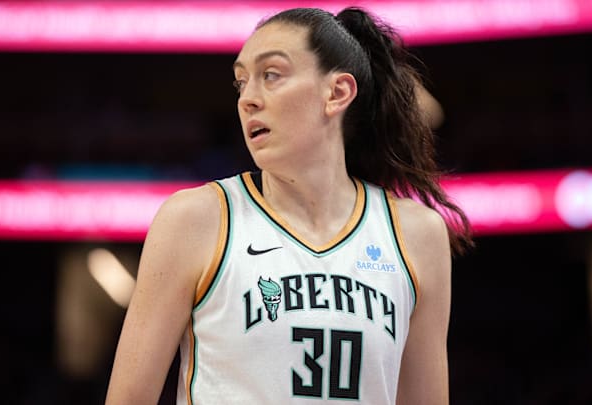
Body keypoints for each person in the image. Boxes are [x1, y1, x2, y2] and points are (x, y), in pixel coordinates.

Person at [105, 6, 472, 405]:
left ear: (337, 93)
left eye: (271, 75)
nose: (247, 99)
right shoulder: (196, 219)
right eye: (241, 83)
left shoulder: (417, 234)